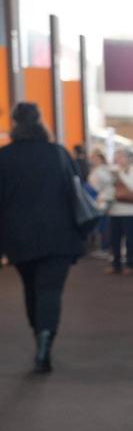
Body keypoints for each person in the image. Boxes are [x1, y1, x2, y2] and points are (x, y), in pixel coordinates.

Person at [0, 102, 86, 373]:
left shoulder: (5, 157)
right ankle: (45, 345)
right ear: (41, 121)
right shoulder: (59, 154)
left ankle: (39, 335)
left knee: (31, 288)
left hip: (19, 237)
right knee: (51, 291)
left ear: (14, 123)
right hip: (59, 235)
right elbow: (77, 189)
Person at [103, 147, 133, 275]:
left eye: (120, 156)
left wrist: (119, 175)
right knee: (114, 239)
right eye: (117, 156)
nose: (118, 159)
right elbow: (108, 188)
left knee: (130, 239)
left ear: (129, 158)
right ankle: (115, 264)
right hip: (115, 210)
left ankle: (130, 264)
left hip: (131, 210)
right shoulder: (114, 170)